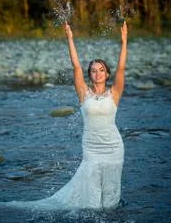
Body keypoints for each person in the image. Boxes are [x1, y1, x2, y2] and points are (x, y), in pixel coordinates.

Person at [7, 21, 127, 210]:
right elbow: (76, 67)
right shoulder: (83, 94)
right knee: (93, 203)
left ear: (107, 74)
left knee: (111, 198)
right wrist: (70, 38)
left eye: (101, 70)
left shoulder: (114, 93)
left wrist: (124, 41)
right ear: (90, 75)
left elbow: (121, 69)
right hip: (92, 149)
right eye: (94, 70)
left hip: (114, 148)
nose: (97, 73)